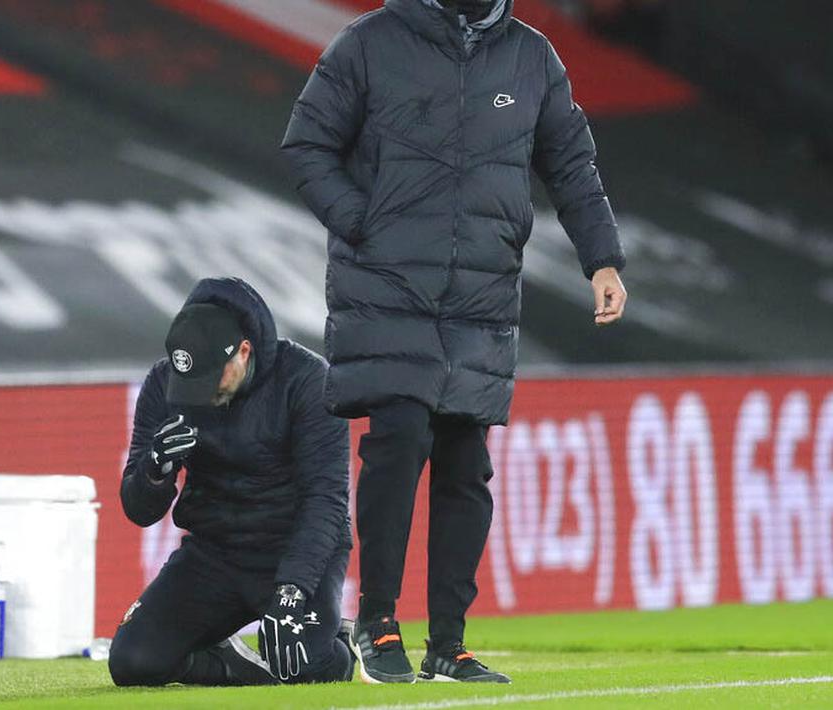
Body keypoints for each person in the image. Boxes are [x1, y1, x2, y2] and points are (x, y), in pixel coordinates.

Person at [281, 0, 628, 684]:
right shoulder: (370, 42)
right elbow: (306, 143)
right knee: (399, 438)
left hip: (480, 293)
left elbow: (571, 164)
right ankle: (376, 622)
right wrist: (364, 223)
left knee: (465, 464)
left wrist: (602, 260)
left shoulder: (530, 56)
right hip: (386, 285)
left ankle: (448, 644)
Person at [108, 277, 354, 687]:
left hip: (291, 549)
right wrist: (155, 470)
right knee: (133, 662)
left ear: (244, 351)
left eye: (211, 378)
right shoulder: (164, 384)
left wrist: (292, 589)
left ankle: (343, 646)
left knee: (303, 665)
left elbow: (326, 501)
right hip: (214, 552)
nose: (200, 394)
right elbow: (138, 510)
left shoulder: (307, 380)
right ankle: (230, 662)